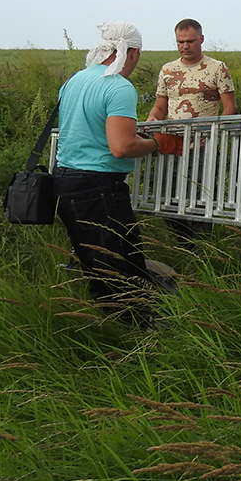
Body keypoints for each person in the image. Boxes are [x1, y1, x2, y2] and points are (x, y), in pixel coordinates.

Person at [53, 21, 180, 325]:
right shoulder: (118, 86)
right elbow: (121, 147)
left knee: (96, 263)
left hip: (64, 182)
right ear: (132, 52)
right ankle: (140, 329)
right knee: (120, 265)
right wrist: (156, 144)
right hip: (98, 186)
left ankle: (114, 327)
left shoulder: (75, 80)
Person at [146, 18, 236, 121]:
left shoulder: (217, 68)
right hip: (172, 133)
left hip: (203, 134)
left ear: (201, 39)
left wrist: (213, 129)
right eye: (180, 42)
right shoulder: (167, 70)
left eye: (190, 41)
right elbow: (160, 106)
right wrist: (153, 117)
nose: (185, 46)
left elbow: (230, 107)